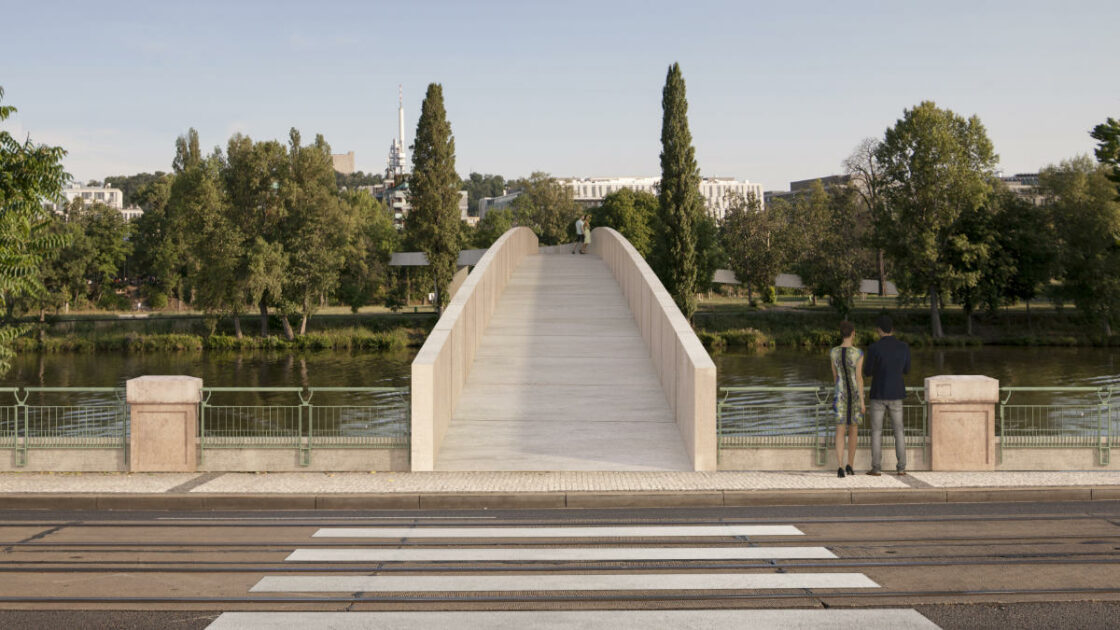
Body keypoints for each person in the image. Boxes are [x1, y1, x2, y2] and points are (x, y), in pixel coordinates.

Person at [862, 314, 911, 476]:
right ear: (893, 329)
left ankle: (876, 468)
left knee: (876, 431)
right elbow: (907, 370)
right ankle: (901, 467)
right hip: (897, 393)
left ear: (878, 330)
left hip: (878, 393)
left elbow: (867, 372)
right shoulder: (903, 347)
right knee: (899, 431)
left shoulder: (874, 348)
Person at [830, 321, 864, 478]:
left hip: (840, 394)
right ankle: (851, 464)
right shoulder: (858, 353)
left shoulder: (833, 352)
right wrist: (862, 401)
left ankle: (839, 466)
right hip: (854, 395)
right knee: (853, 430)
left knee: (839, 430)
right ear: (853, 333)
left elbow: (835, 376)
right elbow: (859, 378)